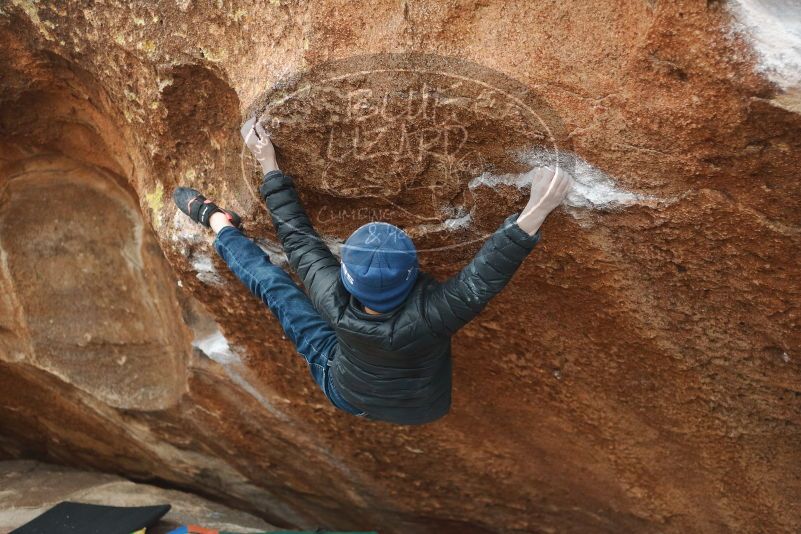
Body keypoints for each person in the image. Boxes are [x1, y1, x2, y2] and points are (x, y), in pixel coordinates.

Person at [173, 117, 574, 425]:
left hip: (349, 392)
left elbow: (297, 240)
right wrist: (538, 205)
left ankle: (218, 223)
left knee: (276, 289)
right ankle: (218, 222)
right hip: (421, 405)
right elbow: (486, 273)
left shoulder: (334, 297)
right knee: (280, 291)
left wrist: (268, 163)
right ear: (414, 272)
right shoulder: (435, 314)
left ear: (346, 276)